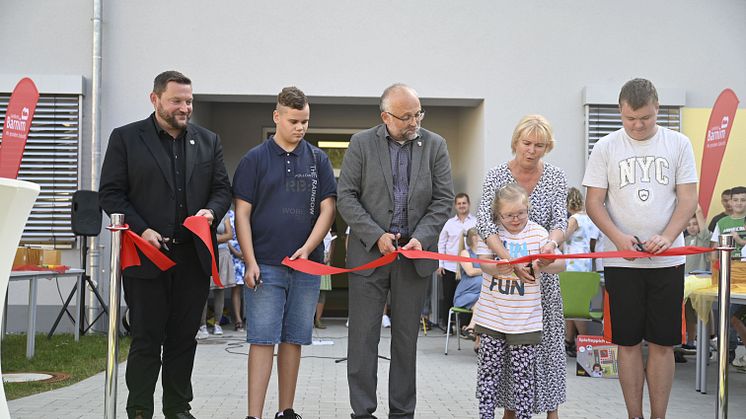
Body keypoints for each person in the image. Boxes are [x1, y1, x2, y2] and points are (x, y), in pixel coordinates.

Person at [99, 70, 231, 419]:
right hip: (146, 256)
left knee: (183, 339)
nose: (185, 107)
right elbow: (111, 194)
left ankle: (177, 409)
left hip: (193, 256)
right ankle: (140, 409)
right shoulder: (126, 139)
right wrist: (141, 230)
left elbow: (222, 191)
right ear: (155, 98)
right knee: (146, 338)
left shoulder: (208, 140)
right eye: (177, 100)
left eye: (188, 100)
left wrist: (210, 212)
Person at [583, 78, 698, 419]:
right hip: (621, 262)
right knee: (627, 343)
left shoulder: (678, 143)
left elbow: (688, 197)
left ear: (657, 109)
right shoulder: (605, 146)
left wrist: (667, 235)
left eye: (645, 118)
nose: (637, 125)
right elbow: (594, 202)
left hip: (668, 261)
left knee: (663, 344)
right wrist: (618, 238)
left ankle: (658, 416)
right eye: (630, 118)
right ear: (621, 111)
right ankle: (633, 415)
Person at [337, 83, 454, 419]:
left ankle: (402, 413)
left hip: (413, 258)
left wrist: (422, 236)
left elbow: (443, 199)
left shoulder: (435, 145)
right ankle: (362, 412)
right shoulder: (361, 144)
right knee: (362, 340)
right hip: (369, 256)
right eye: (406, 116)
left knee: (405, 341)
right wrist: (375, 235)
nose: (414, 121)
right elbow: (346, 196)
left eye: (418, 114)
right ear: (385, 116)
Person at [232, 87, 336, 419]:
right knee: (263, 339)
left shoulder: (318, 160)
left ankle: (286, 410)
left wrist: (308, 249)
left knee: (294, 339)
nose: (300, 127)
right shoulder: (254, 159)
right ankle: (254, 415)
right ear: (277, 117)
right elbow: (241, 214)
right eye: (294, 120)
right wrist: (249, 261)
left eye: (305, 121)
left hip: (306, 266)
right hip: (265, 264)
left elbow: (327, 210)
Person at [476, 114, 568, 418]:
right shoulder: (495, 176)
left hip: (542, 282)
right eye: (527, 143)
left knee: (546, 351)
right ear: (516, 142)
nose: (532, 150)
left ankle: (550, 411)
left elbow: (560, 222)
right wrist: (507, 260)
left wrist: (549, 246)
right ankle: (510, 412)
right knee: (505, 359)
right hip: (505, 288)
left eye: (539, 145)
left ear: (547, 147)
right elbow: (485, 223)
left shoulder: (555, 177)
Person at [710, 185, 746, 365]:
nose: (739, 203)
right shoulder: (721, 223)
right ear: (729, 202)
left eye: (743, 200)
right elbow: (714, 248)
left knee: (733, 313)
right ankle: (728, 349)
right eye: (736, 199)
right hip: (726, 274)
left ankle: (731, 347)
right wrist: (713, 268)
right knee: (720, 309)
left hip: (744, 276)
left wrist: (740, 241)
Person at [563, 187, 600, 357]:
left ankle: (584, 342)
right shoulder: (590, 219)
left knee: (575, 308)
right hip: (585, 264)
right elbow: (592, 245)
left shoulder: (574, 219)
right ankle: (569, 340)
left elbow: (564, 236)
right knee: (574, 305)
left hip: (572, 265)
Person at [437, 193, 477, 328]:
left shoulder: (475, 222)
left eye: (464, 203)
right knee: (448, 295)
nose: (461, 206)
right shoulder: (449, 223)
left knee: (466, 294)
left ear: (469, 204)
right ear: (455, 206)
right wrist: (440, 264)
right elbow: (441, 244)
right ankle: (447, 325)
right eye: (459, 203)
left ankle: (464, 325)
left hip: (468, 268)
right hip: (450, 266)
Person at [197, 213, 237, 339]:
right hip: (206, 253)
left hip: (222, 254)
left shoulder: (223, 214)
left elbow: (229, 235)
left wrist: (212, 239)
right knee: (203, 289)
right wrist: (220, 238)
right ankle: (202, 325)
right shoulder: (201, 212)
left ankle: (217, 324)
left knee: (220, 289)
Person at [681, 205, 712, 356]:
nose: (692, 227)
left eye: (695, 224)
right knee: (688, 313)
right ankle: (690, 342)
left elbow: (702, 224)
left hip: (700, 280)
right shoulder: (684, 239)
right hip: (686, 281)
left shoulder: (704, 238)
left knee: (702, 313)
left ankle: (708, 342)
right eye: (689, 224)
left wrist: (696, 208)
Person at [453, 227, 485, 339]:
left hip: (481, 293)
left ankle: (472, 330)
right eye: (477, 236)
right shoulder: (465, 253)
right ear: (473, 238)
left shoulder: (484, 254)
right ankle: (471, 328)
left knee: (483, 302)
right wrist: (488, 269)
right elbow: (470, 271)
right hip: (467, 293)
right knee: (481, 302)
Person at [228, 208, 246, 331]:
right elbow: (227, 236)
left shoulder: (250, 210)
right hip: (235, 255)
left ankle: (249, 319)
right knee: (237, 289)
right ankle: (238, 319)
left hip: (248, 253)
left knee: (252, 287)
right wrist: (237, 253)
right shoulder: (228, 214)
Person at [315, 229, 336, 329]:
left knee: (322, 292)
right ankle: (309, 320)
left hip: (325, 260)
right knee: (310, 291)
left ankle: (318, 319)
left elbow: (331, 245)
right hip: (314, 260)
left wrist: (328, 258)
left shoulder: (330, 233)